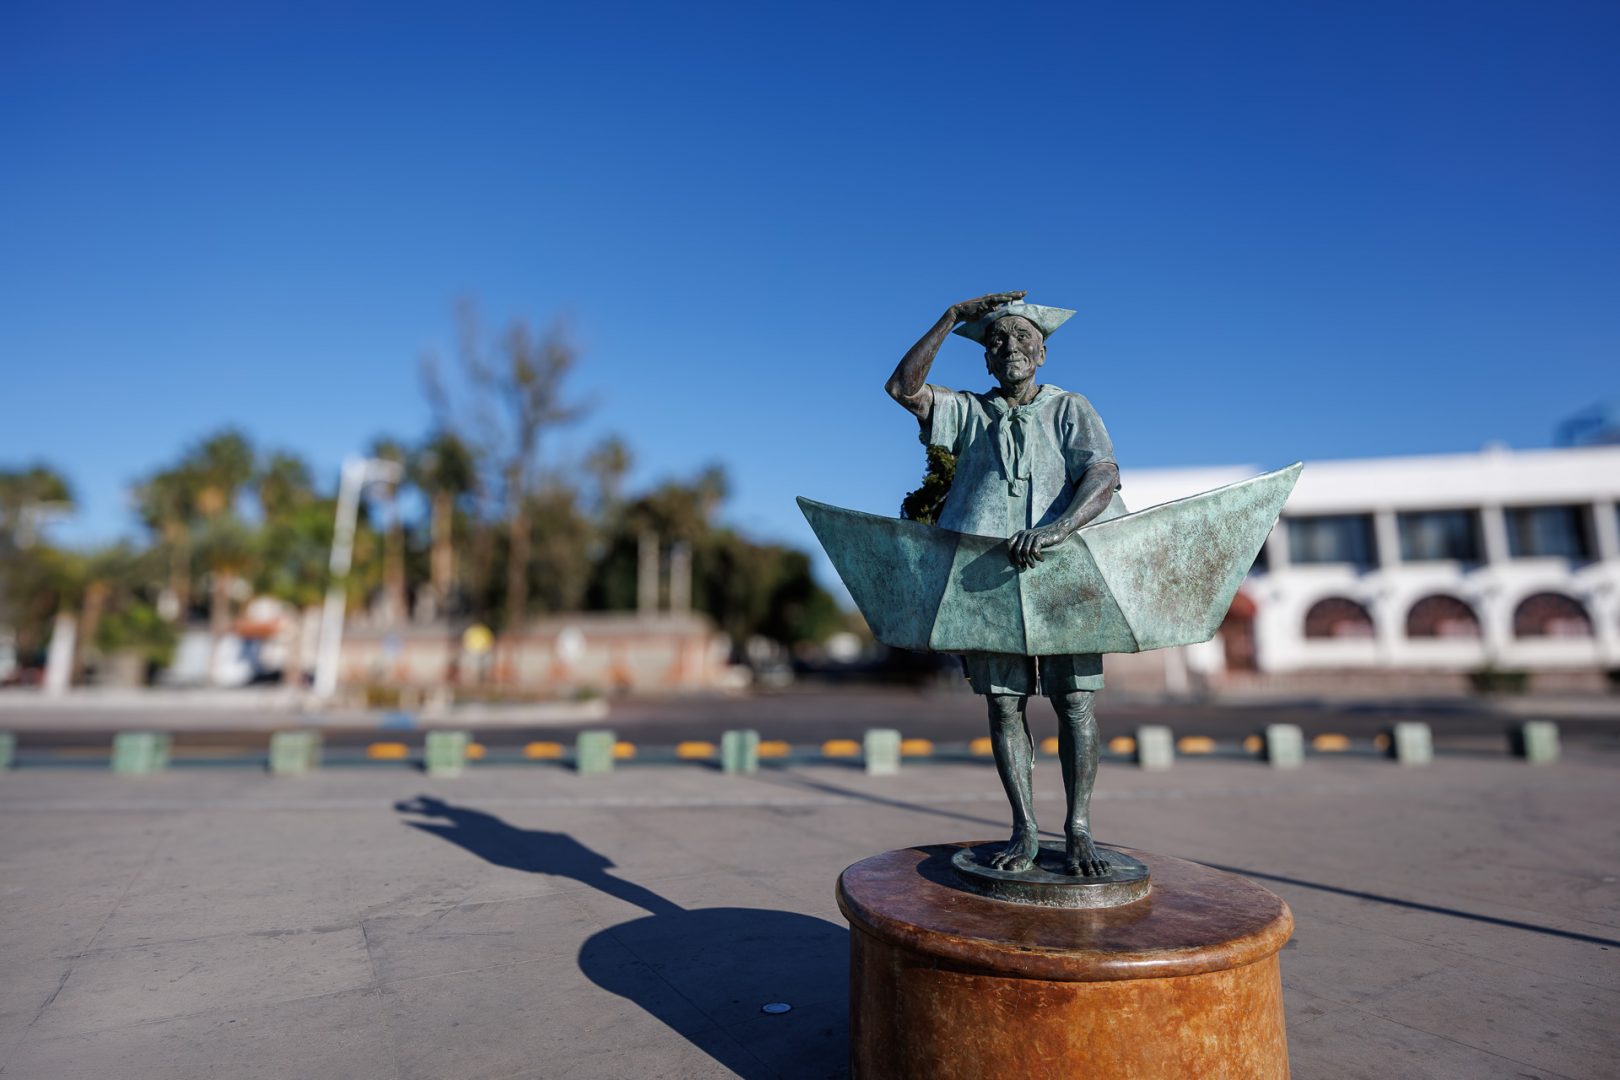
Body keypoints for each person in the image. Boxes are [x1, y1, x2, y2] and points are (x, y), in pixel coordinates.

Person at [885, 291, 1124, 877]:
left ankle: (1078, 828)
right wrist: (950, 318)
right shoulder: (971, 411)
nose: (1009, 346)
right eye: (996, 340)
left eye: (1021, 337)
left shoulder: (1069, 407)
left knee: (1075, 703)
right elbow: (904, 389)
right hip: (986, 572)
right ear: (986, 359)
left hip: (1064, 568)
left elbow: (1102, 473)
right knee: (1004, 705)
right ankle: (1024, 828)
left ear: (1041, 351)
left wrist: (1059, 529)